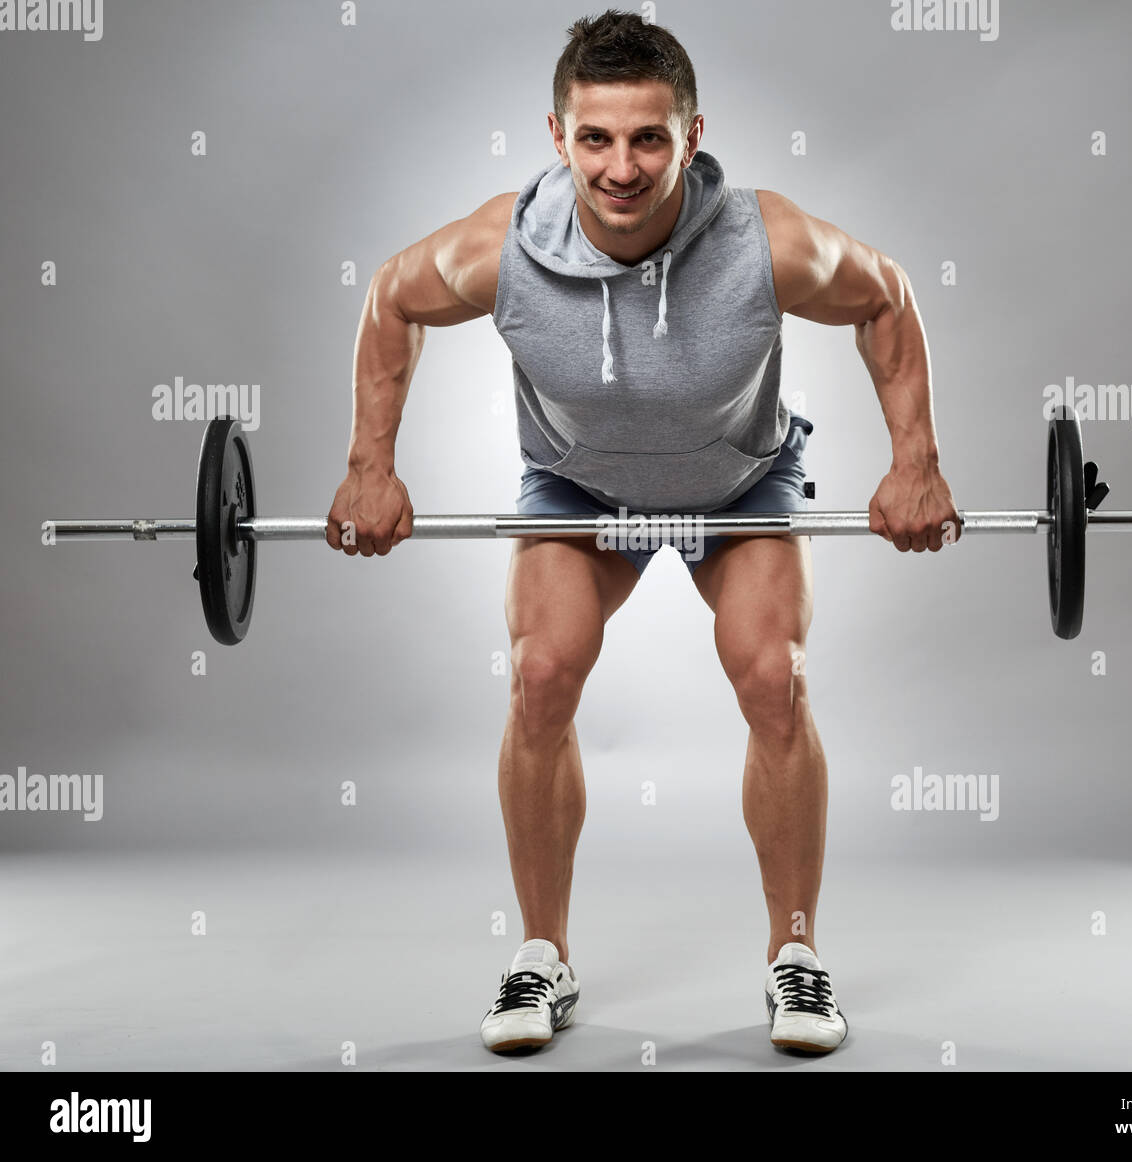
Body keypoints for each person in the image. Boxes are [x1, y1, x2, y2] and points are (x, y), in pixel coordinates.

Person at [326, 8, 959, 1056]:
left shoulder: (770, 241)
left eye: (649, 138)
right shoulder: (503, 248)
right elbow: (391, 297)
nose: (622, 168)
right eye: (596, 139)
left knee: (775, 675)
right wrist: (367, 466)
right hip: (579, 491)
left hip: (740, 483)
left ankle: (795, 955)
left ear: (692, 134)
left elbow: (884, 297)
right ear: (558, 133)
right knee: (539, 673)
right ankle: (540, 955)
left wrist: (916, 461)